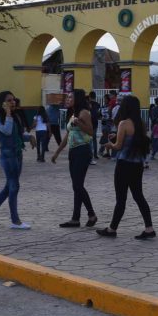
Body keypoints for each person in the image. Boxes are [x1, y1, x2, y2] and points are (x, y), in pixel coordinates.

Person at [96, 94, 155, 239]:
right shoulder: (141, 123)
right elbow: (133, 142)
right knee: (139, 196)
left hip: (124, 164)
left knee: (121, 199)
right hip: (137, 164)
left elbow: (118, 146)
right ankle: (149, 228)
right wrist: (116, 138)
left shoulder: (123, 123)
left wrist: (110, 144)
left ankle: (112, 229)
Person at [50, 89, 98, 228]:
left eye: (70, 97)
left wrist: (79, 123)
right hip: (74, 151)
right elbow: (68, 135)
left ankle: (91, 214)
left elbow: (90, 131)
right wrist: (57, 152)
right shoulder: (73, 113)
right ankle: (75, 219)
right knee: (76, 186)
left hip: (83, 151)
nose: (68, 99)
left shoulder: (84, 112)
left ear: (77, 98)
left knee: (77, 185)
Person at [0, 90, 30, 229]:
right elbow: (7, 131)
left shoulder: (15, 116)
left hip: (17, 154)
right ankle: (15, 221)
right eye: (9, 100)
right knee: (14, 186)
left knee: (9, 187)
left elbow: (17, 135)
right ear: (2, 103)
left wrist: (30, 138)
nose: (12, 102)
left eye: (13, 100)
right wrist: (9, 113)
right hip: (7, 156)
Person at [88, 91, 101, 162]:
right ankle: (95, 154)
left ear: (89, 97)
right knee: (94, 139)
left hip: (88, 123)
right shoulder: (98, 104)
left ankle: (90, 154)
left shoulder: (88, 104)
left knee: (88, 139)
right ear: (95, 97)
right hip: (95, 123)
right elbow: (99, 114)